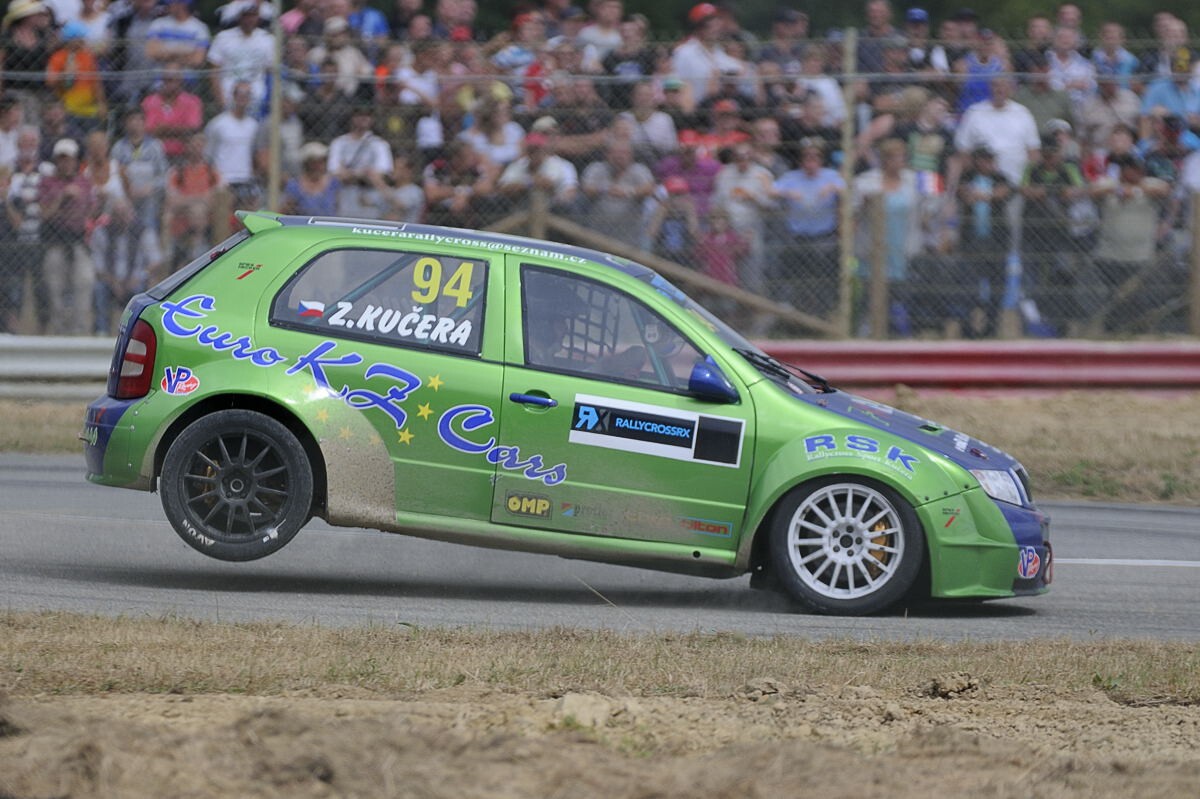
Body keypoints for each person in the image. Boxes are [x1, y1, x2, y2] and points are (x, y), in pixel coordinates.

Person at [771, 138, 844, 316]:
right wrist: (787, 192)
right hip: (798, 237)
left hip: (824, 236)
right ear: (801, 160)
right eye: (807, 157)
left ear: (821, 159)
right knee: (796, 278)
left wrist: (833, 189)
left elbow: (846, 190)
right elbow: (771, 190)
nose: (811, 162)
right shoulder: (791, 177)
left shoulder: (831, 176)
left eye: (815, 157)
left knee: (823, 279)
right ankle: (794, 314)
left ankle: (824, 313)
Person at [38, 136, 96, 334]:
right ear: (56, 161)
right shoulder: (47, 183)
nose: (65, 163)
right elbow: (45, 214)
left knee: (84, 281)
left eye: (69, 159)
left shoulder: (84, 183)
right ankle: (59, 331)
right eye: (61, 159)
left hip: (79, 242)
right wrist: (62, 197)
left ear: (75, 161)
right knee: (55, 288)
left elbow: (90, 211)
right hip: (55, 243)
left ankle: (80, 331)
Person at [327, 104, 393, 217]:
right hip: (344, 193)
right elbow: (333, 172)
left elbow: (381, 173)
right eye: (359, 115)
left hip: (370, 193)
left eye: (367, 115)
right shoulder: (339, 142)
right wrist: (364, 173)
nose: (363, 118)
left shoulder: (379, 143)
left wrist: (349, 173)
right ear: (352, 118)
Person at [204, 80, 260, 211]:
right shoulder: (218, 124)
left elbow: (254, 155)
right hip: (224, 180)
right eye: (239, 93)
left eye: (247, 94)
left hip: (246, 180)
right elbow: (208, 154)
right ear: (233, 96)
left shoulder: (253, 126)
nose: (242, 98)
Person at [45, 20, 107, 139]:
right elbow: (50, 82)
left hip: (88, 110)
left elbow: (96, 83)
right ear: (71, 40)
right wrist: (65, 74)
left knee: (90, 138)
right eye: (80, 38)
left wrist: (101, 103)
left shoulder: (88, 56)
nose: (83, 41)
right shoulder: (58, 57)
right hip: (68, 110)